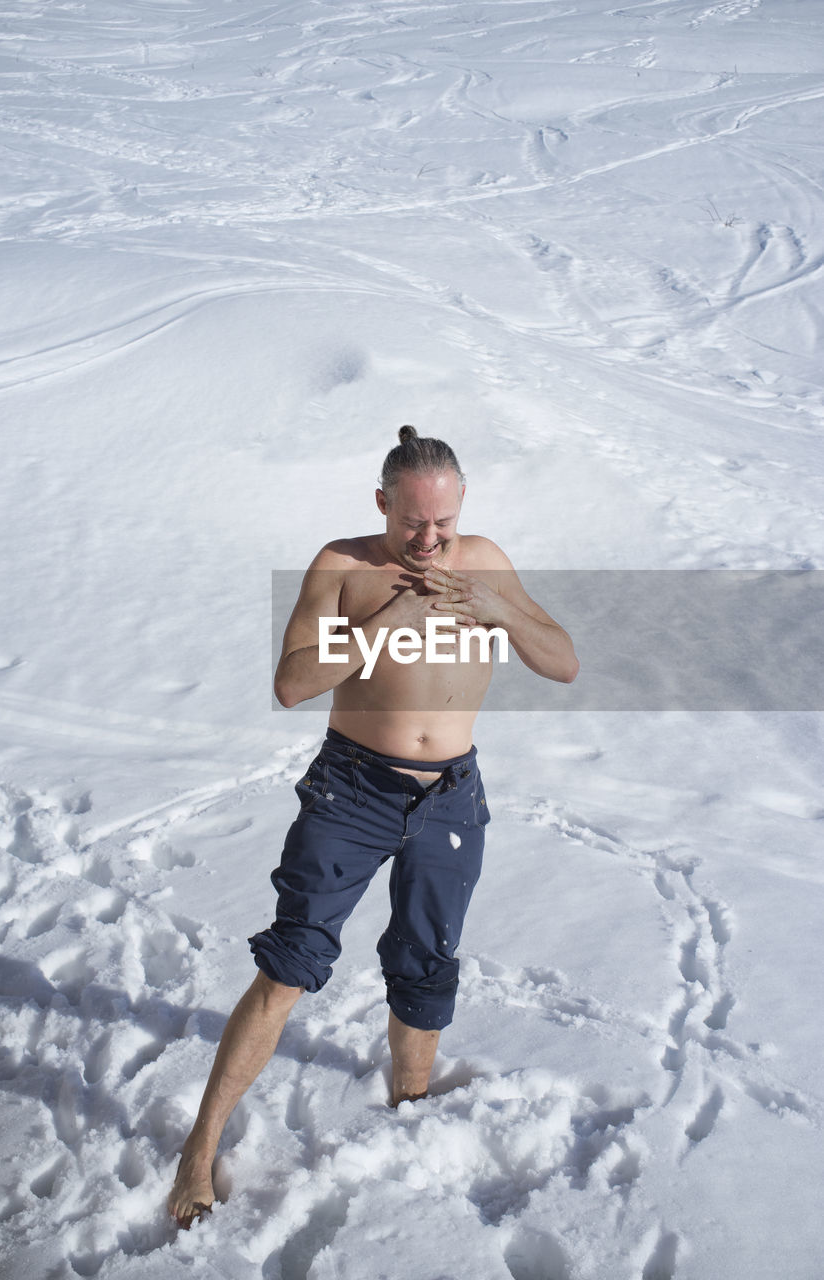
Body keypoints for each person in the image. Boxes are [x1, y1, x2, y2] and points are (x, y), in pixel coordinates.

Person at [168, 425, 578, 1228]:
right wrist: (385, 620)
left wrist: (498, 606)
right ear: (382, 503)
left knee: (427, 966)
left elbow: (562, 660)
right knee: (291, 962)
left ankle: (411, 1107)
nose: (428, 542)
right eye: (411, 524)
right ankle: (198, 1148)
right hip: (351, 790)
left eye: (443, 526)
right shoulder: (344, 568)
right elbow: (292, 683)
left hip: (451, 798)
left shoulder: (485, 562)